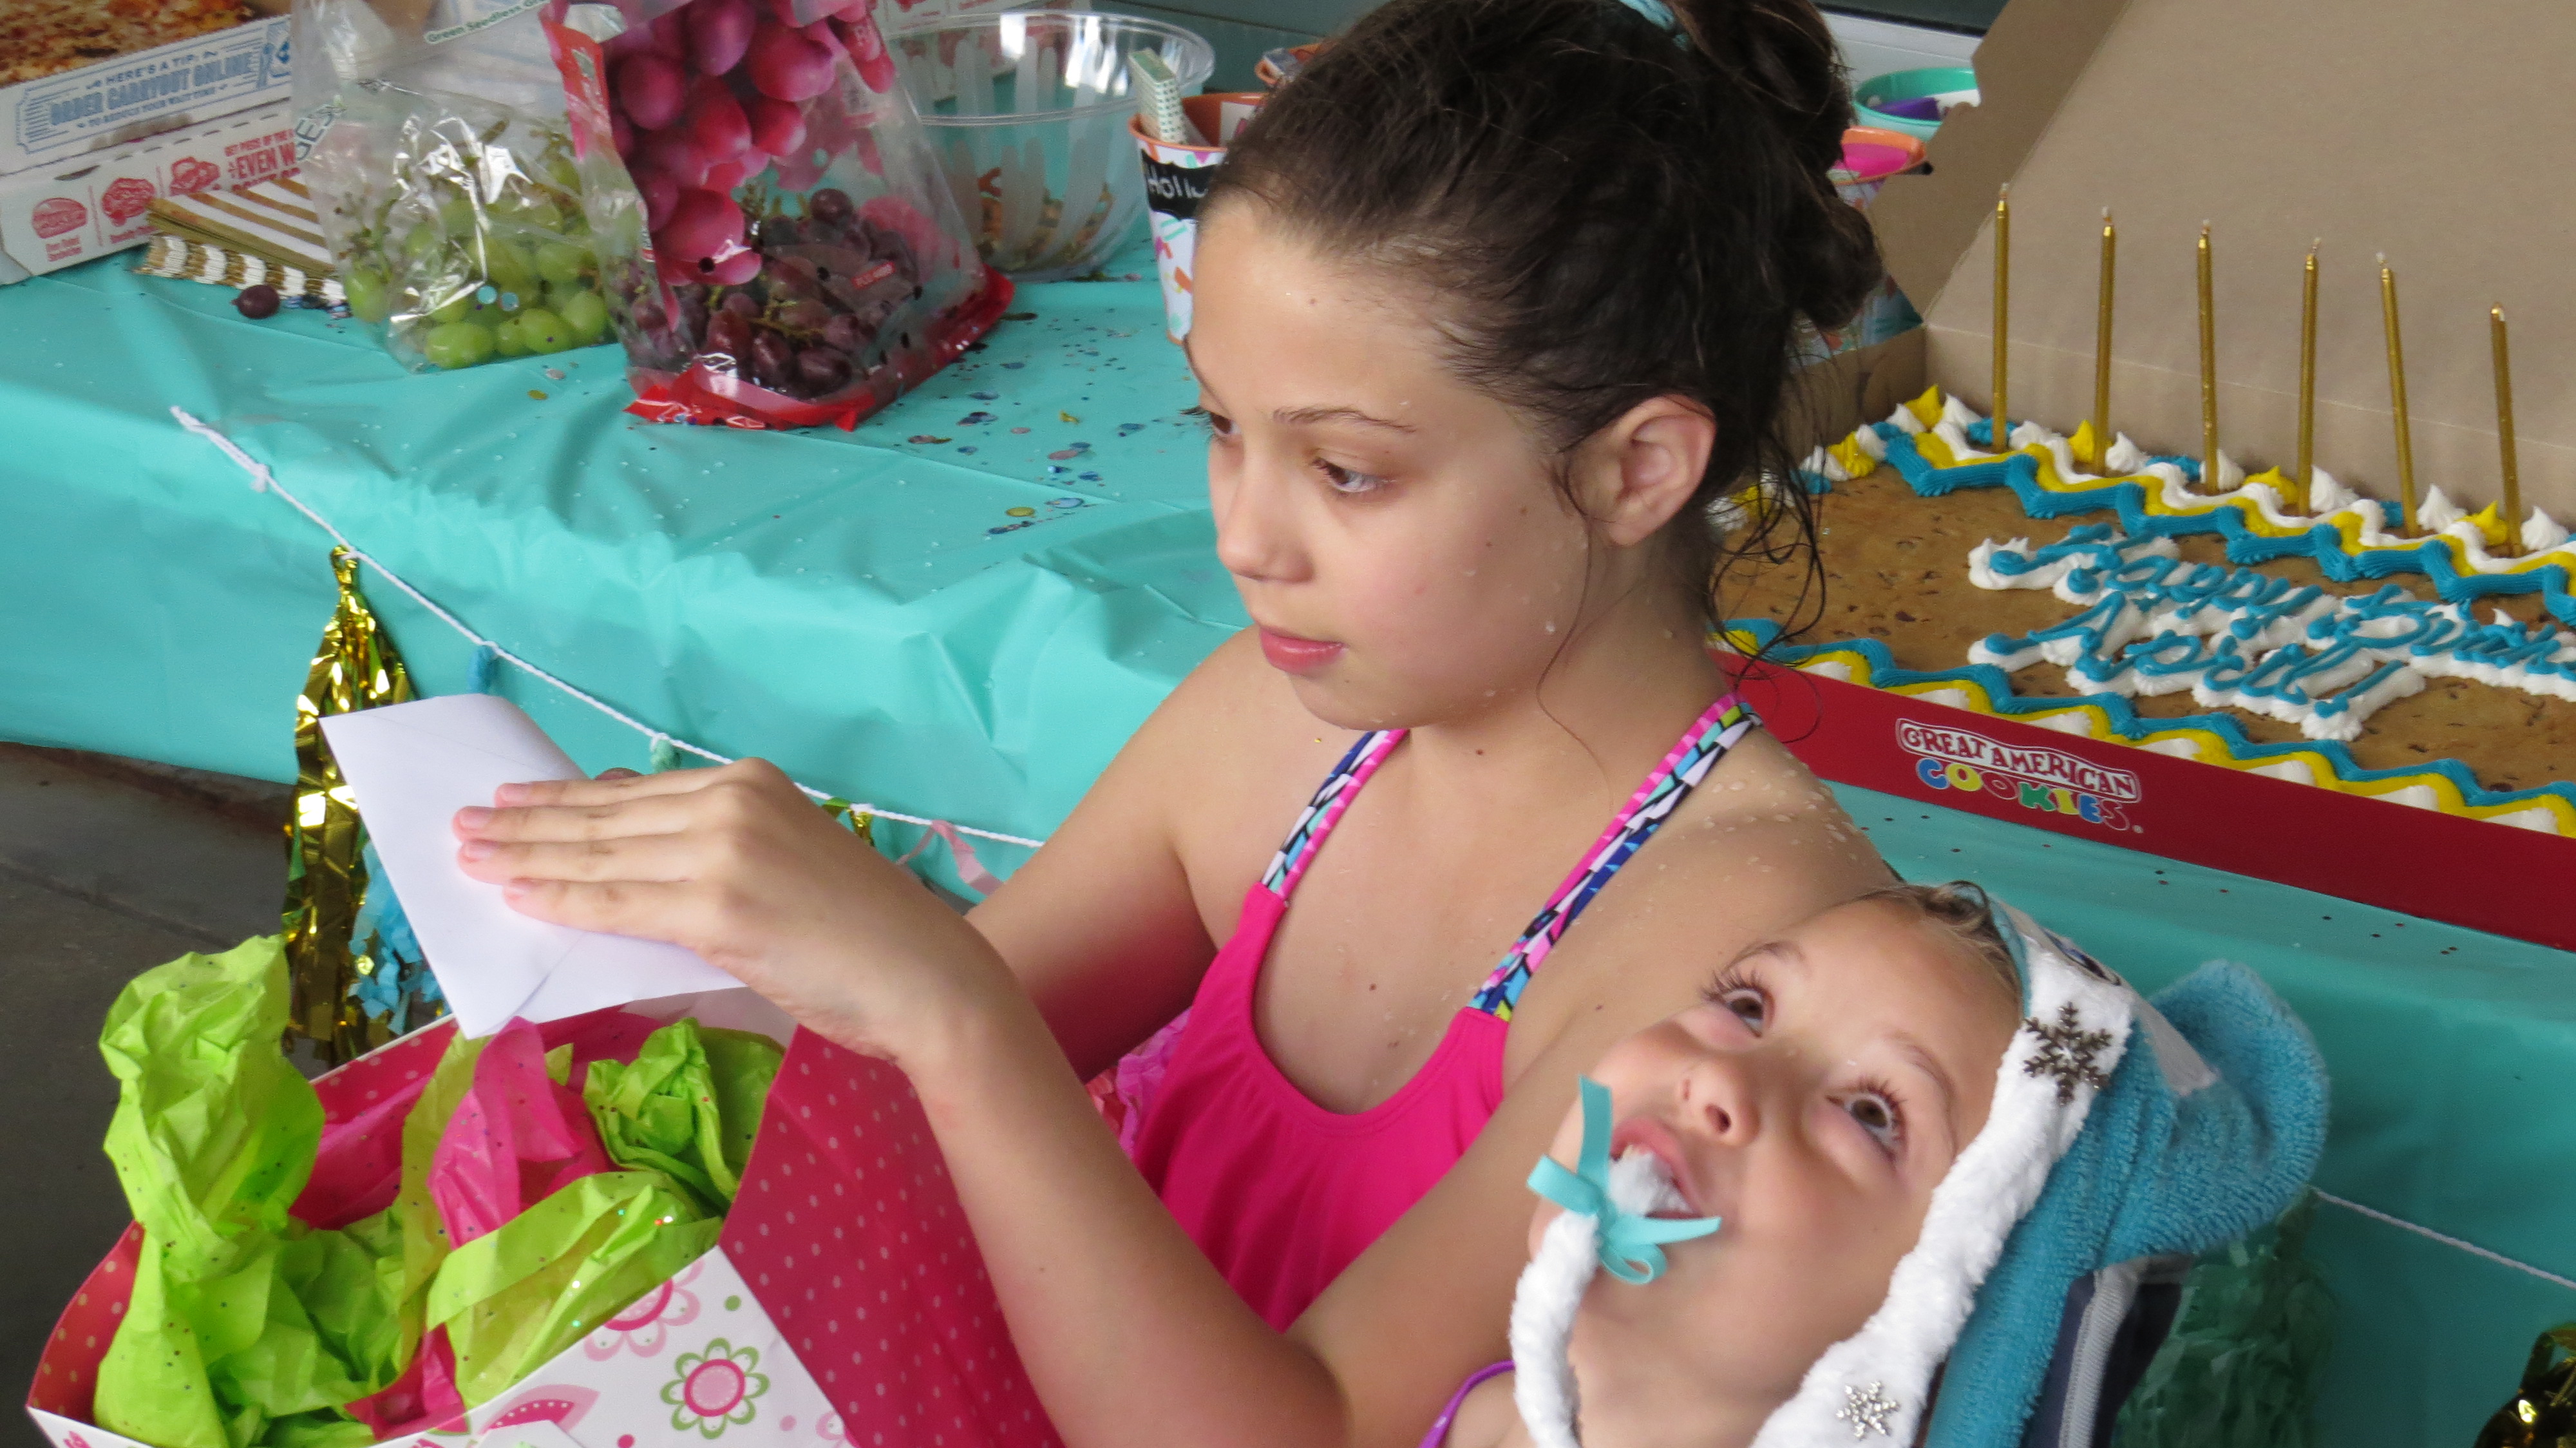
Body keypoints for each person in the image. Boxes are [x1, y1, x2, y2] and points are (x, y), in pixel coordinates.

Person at [452, 0, 1888, 1442]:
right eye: (1220, 428)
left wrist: (942, 999)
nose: (1244, 539)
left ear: (1635, 472)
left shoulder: (1745, 955)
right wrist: (696, 950)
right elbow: (874, 1080)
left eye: (1346, 470)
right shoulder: (1285, 724)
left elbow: (1316, 1427)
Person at [1428, 883, 2327, 1448]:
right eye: (1749, 1005)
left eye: (1870, 1114)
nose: (1725, 1079)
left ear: (1951, 1337)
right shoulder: (1475, 1414)